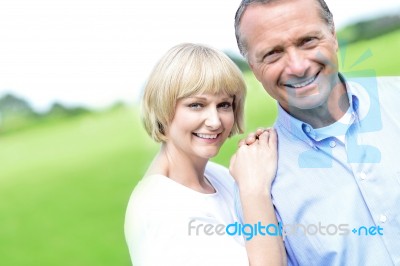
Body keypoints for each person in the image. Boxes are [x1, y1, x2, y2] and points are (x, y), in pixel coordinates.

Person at [234, 0, 400, 265]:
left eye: (308, 41)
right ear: (253, 67)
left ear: (333, 36)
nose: (298, 66)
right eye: (273, 54)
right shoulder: (257, 186)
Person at [124, 43, 286, 265]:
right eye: (196, 105)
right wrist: (254, 189)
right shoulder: (164, 209)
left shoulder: (217, 176)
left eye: (224, 105)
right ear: (162, 108)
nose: (215, 121)